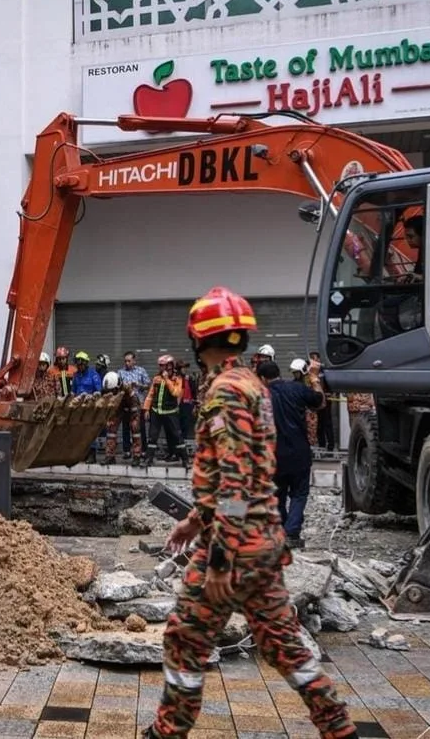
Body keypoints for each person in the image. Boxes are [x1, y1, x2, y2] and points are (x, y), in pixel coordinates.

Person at [142, 286, 356, 739]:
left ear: (199, 341)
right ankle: (340, 730)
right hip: (263, 544)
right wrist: (193, 519)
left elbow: (236, 483)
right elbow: (239, 473)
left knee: (185, 639)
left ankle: (167, 733)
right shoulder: (252, 385)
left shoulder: (224, 393)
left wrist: (219, 557)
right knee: (284, 647)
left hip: (234, 546)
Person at [258, 359, 325, 549]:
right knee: (299, 493)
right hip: (299, 452)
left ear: (262, 378)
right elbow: (320, 403)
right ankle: (292, 532)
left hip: (273, 455)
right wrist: (314, 378)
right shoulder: (296, 389)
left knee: (277, 493)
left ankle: (282, 530)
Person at [143, 355, 188, 469]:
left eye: (163, 365)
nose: (161, 367)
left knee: (177, 436)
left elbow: (176, 393)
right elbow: (150, 394)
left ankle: (185, 460)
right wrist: (146, 409)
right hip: (156, 412)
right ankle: (148, 459)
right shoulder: (156, 378)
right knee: (152, 436)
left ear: (170, 365)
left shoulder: (177, 378)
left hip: (170, 412)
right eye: (160, 365)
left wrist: (167, 379)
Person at [118, 351, 150, 463]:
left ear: (134, 361)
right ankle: (127, 451)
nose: (127, 363)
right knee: (126, 427)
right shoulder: (120, 372)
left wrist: (138, 385)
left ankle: (143, 451)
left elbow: (148, 386)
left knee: (139, 428)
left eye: (129, 361)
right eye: (125, 361)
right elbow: (117, 387)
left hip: (138, 404)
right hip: (125, 404)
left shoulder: (141, 371)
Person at [309, 351, 335, 451]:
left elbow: (330, 383)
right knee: (318, 424)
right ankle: (321, 445)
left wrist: (330, 392)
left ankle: (331, 446)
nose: (314, 361)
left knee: (327, 422)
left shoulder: (324, 371)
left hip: (327, 399)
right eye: (312, 359)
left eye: (316, 359)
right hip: (315, 400)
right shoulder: (309, 371)